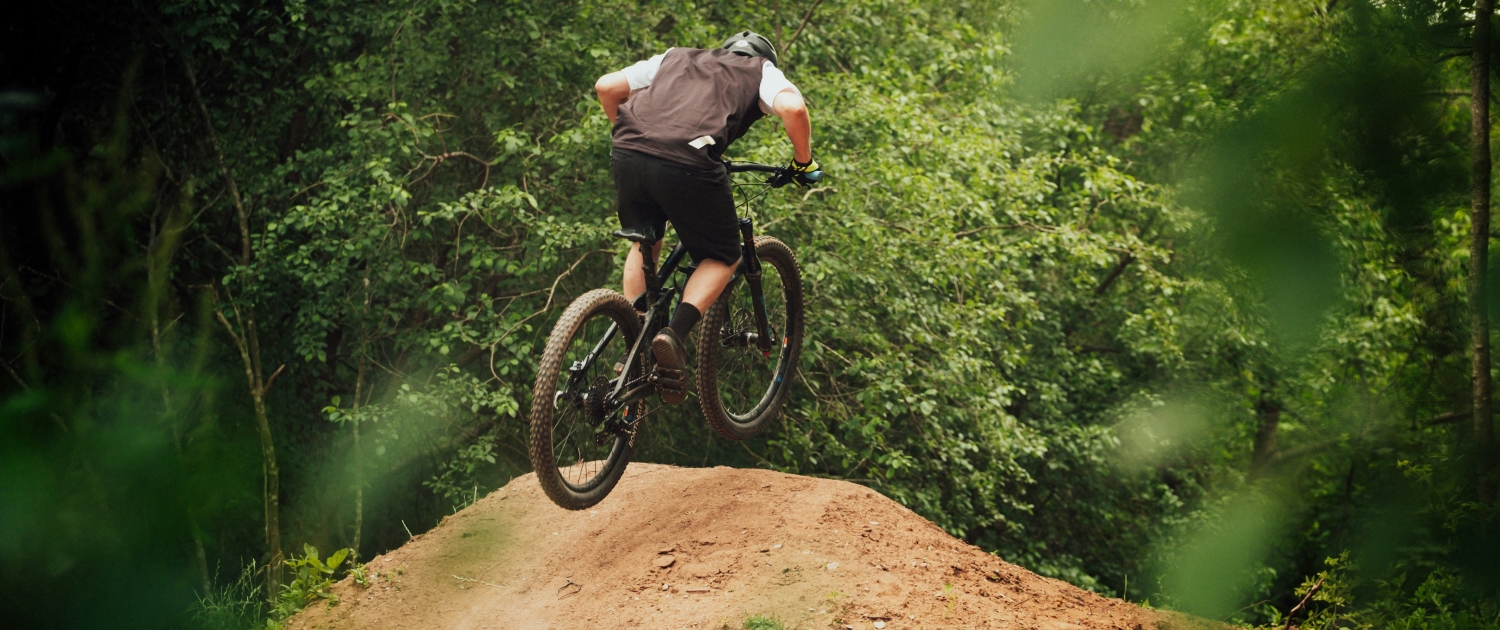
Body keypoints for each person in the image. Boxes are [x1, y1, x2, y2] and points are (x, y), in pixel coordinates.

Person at [594, 31, 818, 405]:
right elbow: (794, 109)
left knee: (645, 239)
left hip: (627, 150)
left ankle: (636, 338)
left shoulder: (675, 55)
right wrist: (803, 162)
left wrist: (638, 139)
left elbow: (606, 87)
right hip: (689, 164)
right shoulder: (760, 71)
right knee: (723, 255)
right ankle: (673, 334)